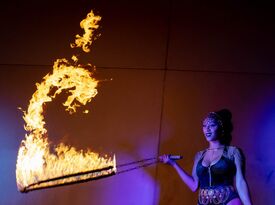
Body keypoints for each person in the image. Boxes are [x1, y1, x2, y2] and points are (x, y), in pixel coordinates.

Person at [160, 109, 253, 205]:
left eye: (212, 125)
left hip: (228, 200)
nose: (207, 129)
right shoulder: (199, 155)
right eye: (204, 126)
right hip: (203, 202)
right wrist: (174, 164)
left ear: (221, 128)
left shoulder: (233, 152)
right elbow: (194, 186)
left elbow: (240, 182)